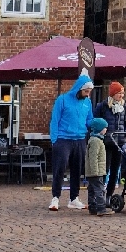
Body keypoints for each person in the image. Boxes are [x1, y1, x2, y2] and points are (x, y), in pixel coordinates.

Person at [48, 74, 94, 211]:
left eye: (89, 92)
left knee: (77, 169)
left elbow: (89, 120)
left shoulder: (87, 102)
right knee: (59, 168)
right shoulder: (62, 100)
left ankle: (74, 198)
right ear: (79, 89)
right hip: (63, 139)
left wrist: (98, 124)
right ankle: (55, 197)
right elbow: (55, 120)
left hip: (80, 139)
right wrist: (54, 139)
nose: (87, 94)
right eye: (86, 91)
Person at [93, 81, 126, 205]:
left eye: (122, 93)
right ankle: (100, 194)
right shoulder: (103, 106)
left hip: (120, 142)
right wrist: (103, 132)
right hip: (107, 142)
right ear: (113, 94)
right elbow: (95, 121)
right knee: (104, 169)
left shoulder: (124, 107)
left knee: (115, 171)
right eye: (119, 93)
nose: (121, 95)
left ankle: (109, 195)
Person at [85, 117, 114, 216]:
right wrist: (95, 171)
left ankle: (92, 207)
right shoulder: (96, 141)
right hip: (96, 172)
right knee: (99, 190)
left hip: (94, 171)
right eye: (104, 128)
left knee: (92, 190)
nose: (106, 129)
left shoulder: (95, 140)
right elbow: (93, 158)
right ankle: (101, 208)